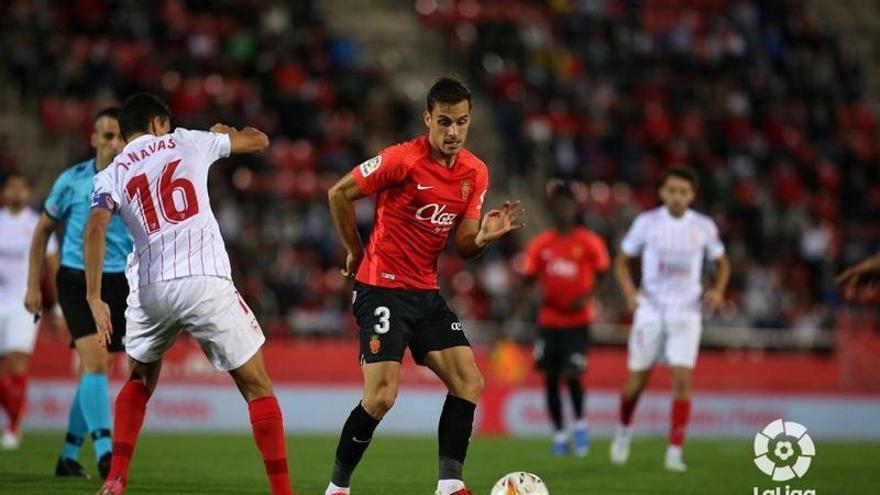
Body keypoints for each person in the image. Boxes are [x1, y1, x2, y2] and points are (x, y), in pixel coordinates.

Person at [84, 93, 295, 495]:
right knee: (257, 386)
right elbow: (260, 141)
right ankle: (283, 493)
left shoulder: (109, 174)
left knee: (140, 379)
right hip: (203, 279)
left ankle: (115, 479)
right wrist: (226, 132)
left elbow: (95, 229)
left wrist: (95, 297)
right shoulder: (187, 139)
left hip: (149, 288)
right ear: (159, 123)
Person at [324, 77, 524, 495]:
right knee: (380, 397)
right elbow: (339, 193)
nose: (453, 132)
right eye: (445, 122)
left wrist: (484, 237)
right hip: (381, 287)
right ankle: (337, 489)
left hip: (425, 294)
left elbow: (465, 245)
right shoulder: (401, 159)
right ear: (428, 119)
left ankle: (450, 486)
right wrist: (354, 253)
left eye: (462, 122)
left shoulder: (475, 172)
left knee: (469, 382)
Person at [24, 108, 132, 479]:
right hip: (75, 280)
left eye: (120, 136)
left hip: (121, 283)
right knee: (97, 363)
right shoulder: (71, 181)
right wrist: (32, 286)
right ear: (93, 139)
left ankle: (68, 456)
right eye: (108, 136)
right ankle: (106, 453)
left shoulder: (134, 178)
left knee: (96, 371)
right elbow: (41, 231)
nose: (115, 143)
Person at [610, 166, 730, 472]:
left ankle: (674, 452)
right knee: (637, 382)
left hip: (687, 312)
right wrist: (628, 291)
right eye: (672, 190)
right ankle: (624, 431)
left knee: (682, 380)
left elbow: (722, 263)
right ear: (663, 192)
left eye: (684, 191)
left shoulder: (703, 226)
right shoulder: (647, 222)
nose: (678, 197)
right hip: (650, 309)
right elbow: (622, 261)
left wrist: (717, 290)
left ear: (692, 194)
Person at [511, 182, 610, 457]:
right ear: (553, 209)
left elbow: (603, 274)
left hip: (577, 320)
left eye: (568, 205)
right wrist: (514, 316)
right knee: (551, 379)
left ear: (574, 208)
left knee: (573, 374)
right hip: (549, 320)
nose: (564, 210)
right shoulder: (541, 244)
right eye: (559, 205)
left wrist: (588, 296)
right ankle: (559, 434)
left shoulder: (588, 242)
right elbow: (528, 281)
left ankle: (579, 427)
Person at [0, 172, 59, 449]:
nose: (16, 192)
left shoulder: (37, 224)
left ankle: (13, 425)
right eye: (11, 187)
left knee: (16, 362)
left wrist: (58, 305)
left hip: (24, 302)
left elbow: (52, 264)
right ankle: (15, 413)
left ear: (28, 192)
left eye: (21, 188)